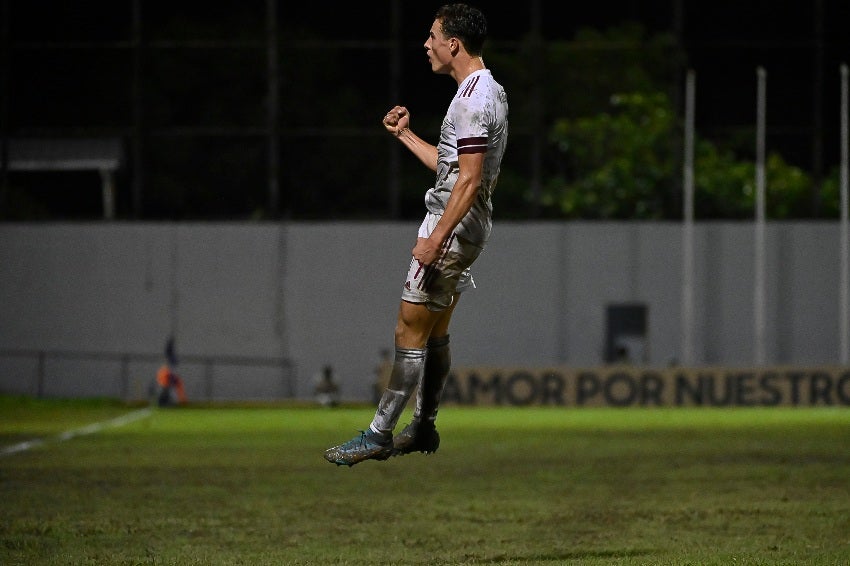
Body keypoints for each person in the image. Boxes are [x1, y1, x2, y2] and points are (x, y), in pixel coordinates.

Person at [325, 3, 508, 467]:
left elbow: (465, 181)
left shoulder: (470, 99)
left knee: (410, 327)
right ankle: (424, 425)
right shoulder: (488, 90)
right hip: (468, 223)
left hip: (452, 225)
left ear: (454, 44)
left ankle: (379, 433)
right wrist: (405, 135)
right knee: (436, 329)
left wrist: (435, 239)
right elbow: (455, 169)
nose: (425, 44)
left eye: (432, 36)